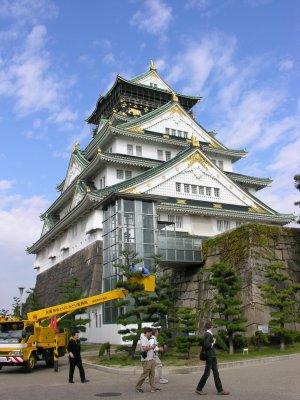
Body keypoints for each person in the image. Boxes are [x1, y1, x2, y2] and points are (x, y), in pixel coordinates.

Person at [195, 321, 229, 396]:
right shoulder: (207, 334)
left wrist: (212, 342)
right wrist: (213, 342)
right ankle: (199, 389)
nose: (213, 327)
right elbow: (207, 345)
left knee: (216, 373)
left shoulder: (209, 334)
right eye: (212, 326)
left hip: (212, 356)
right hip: (209, 357)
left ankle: (220, 390)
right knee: (207, 374)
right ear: (211, 327)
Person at [135, 327, 161, 393]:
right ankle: (138, 387)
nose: (150, 334)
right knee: (145, 374)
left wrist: (153, 347)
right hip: (146, 360)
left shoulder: (146, 338)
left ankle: (153, 388)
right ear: (147, 332)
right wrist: (152, 347)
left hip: (150, 359)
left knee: (152, 374)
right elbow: (144, 348)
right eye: (150, 333)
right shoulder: (143, 339)